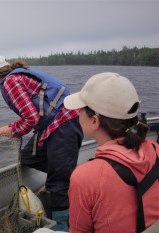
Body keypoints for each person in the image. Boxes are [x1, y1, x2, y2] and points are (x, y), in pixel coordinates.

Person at [0, 55, 83, 231]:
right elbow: (33, 115)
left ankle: (62, 227)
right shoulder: (17, 77)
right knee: (29, 157)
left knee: (57, 184)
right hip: (53, 126)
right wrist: (11, 127)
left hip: (63, 124)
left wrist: (11, 130)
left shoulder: (9, 83)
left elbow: (31, 117)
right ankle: (69, 176)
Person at [64, 72, 159, 232]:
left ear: (94, 121)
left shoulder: (84, 177)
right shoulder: (155, 150)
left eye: (81, 109)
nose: (78, 113)